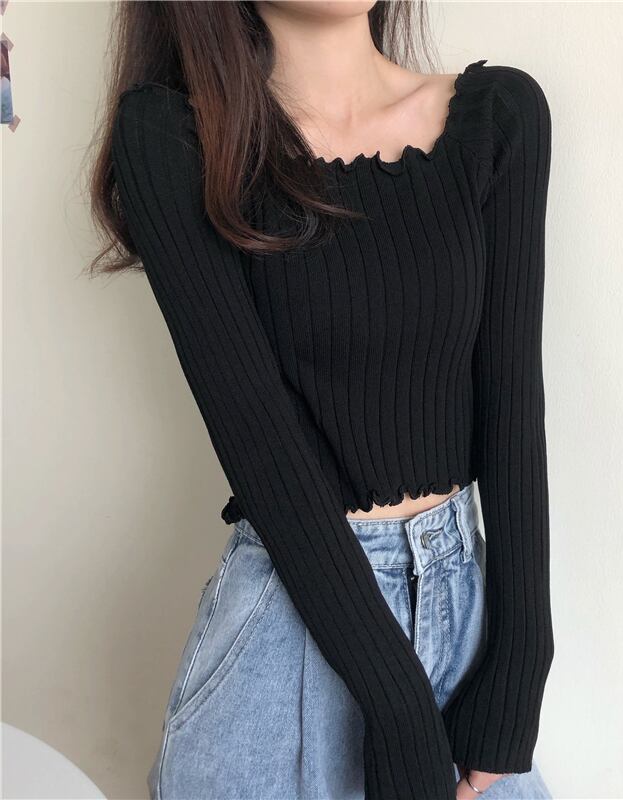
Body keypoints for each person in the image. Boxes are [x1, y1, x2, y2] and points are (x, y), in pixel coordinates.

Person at [89, 2, 554, 798]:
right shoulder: (176, 139)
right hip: (290, 627)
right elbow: (259, 439)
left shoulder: (498, 117)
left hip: (462, 605)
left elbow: (512, 401)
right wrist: (399, 709)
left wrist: (521, 662)